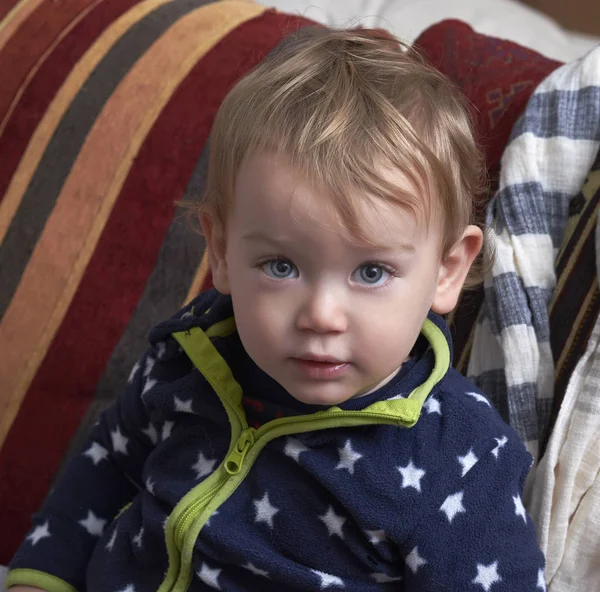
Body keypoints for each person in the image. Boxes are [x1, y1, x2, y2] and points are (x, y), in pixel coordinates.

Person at [7, 27, 546, 592]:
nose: (321, 315)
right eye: (281, 267)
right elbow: (103, 471)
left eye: (371, 272)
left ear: (447, 270)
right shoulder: (190, 354)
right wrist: (40, 577)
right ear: (220, 250)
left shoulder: (459, 460)